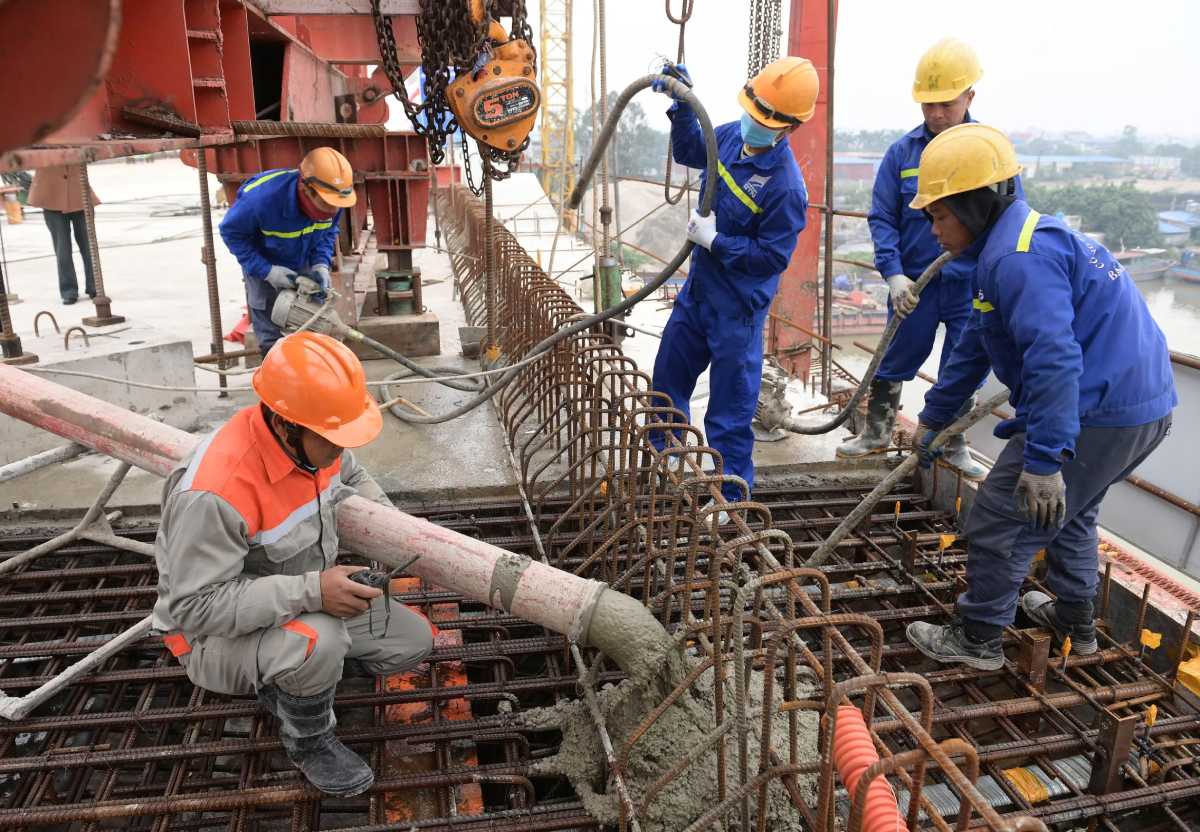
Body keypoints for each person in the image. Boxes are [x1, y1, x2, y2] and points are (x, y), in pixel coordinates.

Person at [903, 124, 1176, 670]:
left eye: (940, 216)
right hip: (1141, 408)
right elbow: (977, 342)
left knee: (998, 519)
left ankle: (978, 637)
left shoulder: (1016, 260)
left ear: (975, 205)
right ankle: (1075, 622)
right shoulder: (1014, 243)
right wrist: (934, 418)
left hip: (1096, 411)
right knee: (1070, 515)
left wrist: (1046, 459)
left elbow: (1054, 360)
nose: (933, 231)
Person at [152, 331, 433, 796]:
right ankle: (309, 740)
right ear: (285, 425)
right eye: (333, 440)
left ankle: (294, 683)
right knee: (319, 641)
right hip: (210, 639)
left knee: (409, 641)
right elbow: (195, 607)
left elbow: (353, 474)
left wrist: (394, 528)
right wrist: (314, 592)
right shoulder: (215, 493)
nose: (340, 450)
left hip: (292, 601)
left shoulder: (315, 442)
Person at [838, 38, 1020, 480]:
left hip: (970, 285)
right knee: (895, 355)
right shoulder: (902, 154)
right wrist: (893, 274)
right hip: (915, 285)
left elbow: (1012, 217)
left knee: (965, 362)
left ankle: (951, 441)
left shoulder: (990, 153)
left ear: (969, 97)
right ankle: (877, 431)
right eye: (928, 104)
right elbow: (883, 216)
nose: (936, 114)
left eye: (946, 104)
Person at [649, 57, 815, 517]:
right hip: (698, 293)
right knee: (668, 379)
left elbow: (772, 258)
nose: (752, 123)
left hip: (737, 310)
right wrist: (683, 105)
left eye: (765, 119)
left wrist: (716, 241)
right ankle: (665, 458)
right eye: (752, 111)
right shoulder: (727, 136)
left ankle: (731, 496)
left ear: (788, 127)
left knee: (728, 411)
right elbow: (689, 149)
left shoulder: (785, 187)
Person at [219, 147, 356, 353]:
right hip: (263, 264)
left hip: (303, 259)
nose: (332, 210)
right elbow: (231, 233)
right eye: (325, 204)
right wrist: (267, 271)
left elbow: (328, 233)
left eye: (336, 205)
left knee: (314, 328)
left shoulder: (335, 198)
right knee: (271, 337)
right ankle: (274, 364)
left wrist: (321, 263)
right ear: (305, 188)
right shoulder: (260, 199)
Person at [26, 165, 98, 305]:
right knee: (62, 248)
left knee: (89, 245)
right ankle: (68, 290)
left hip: (79, 192)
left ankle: (95, 286)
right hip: (51, 194)